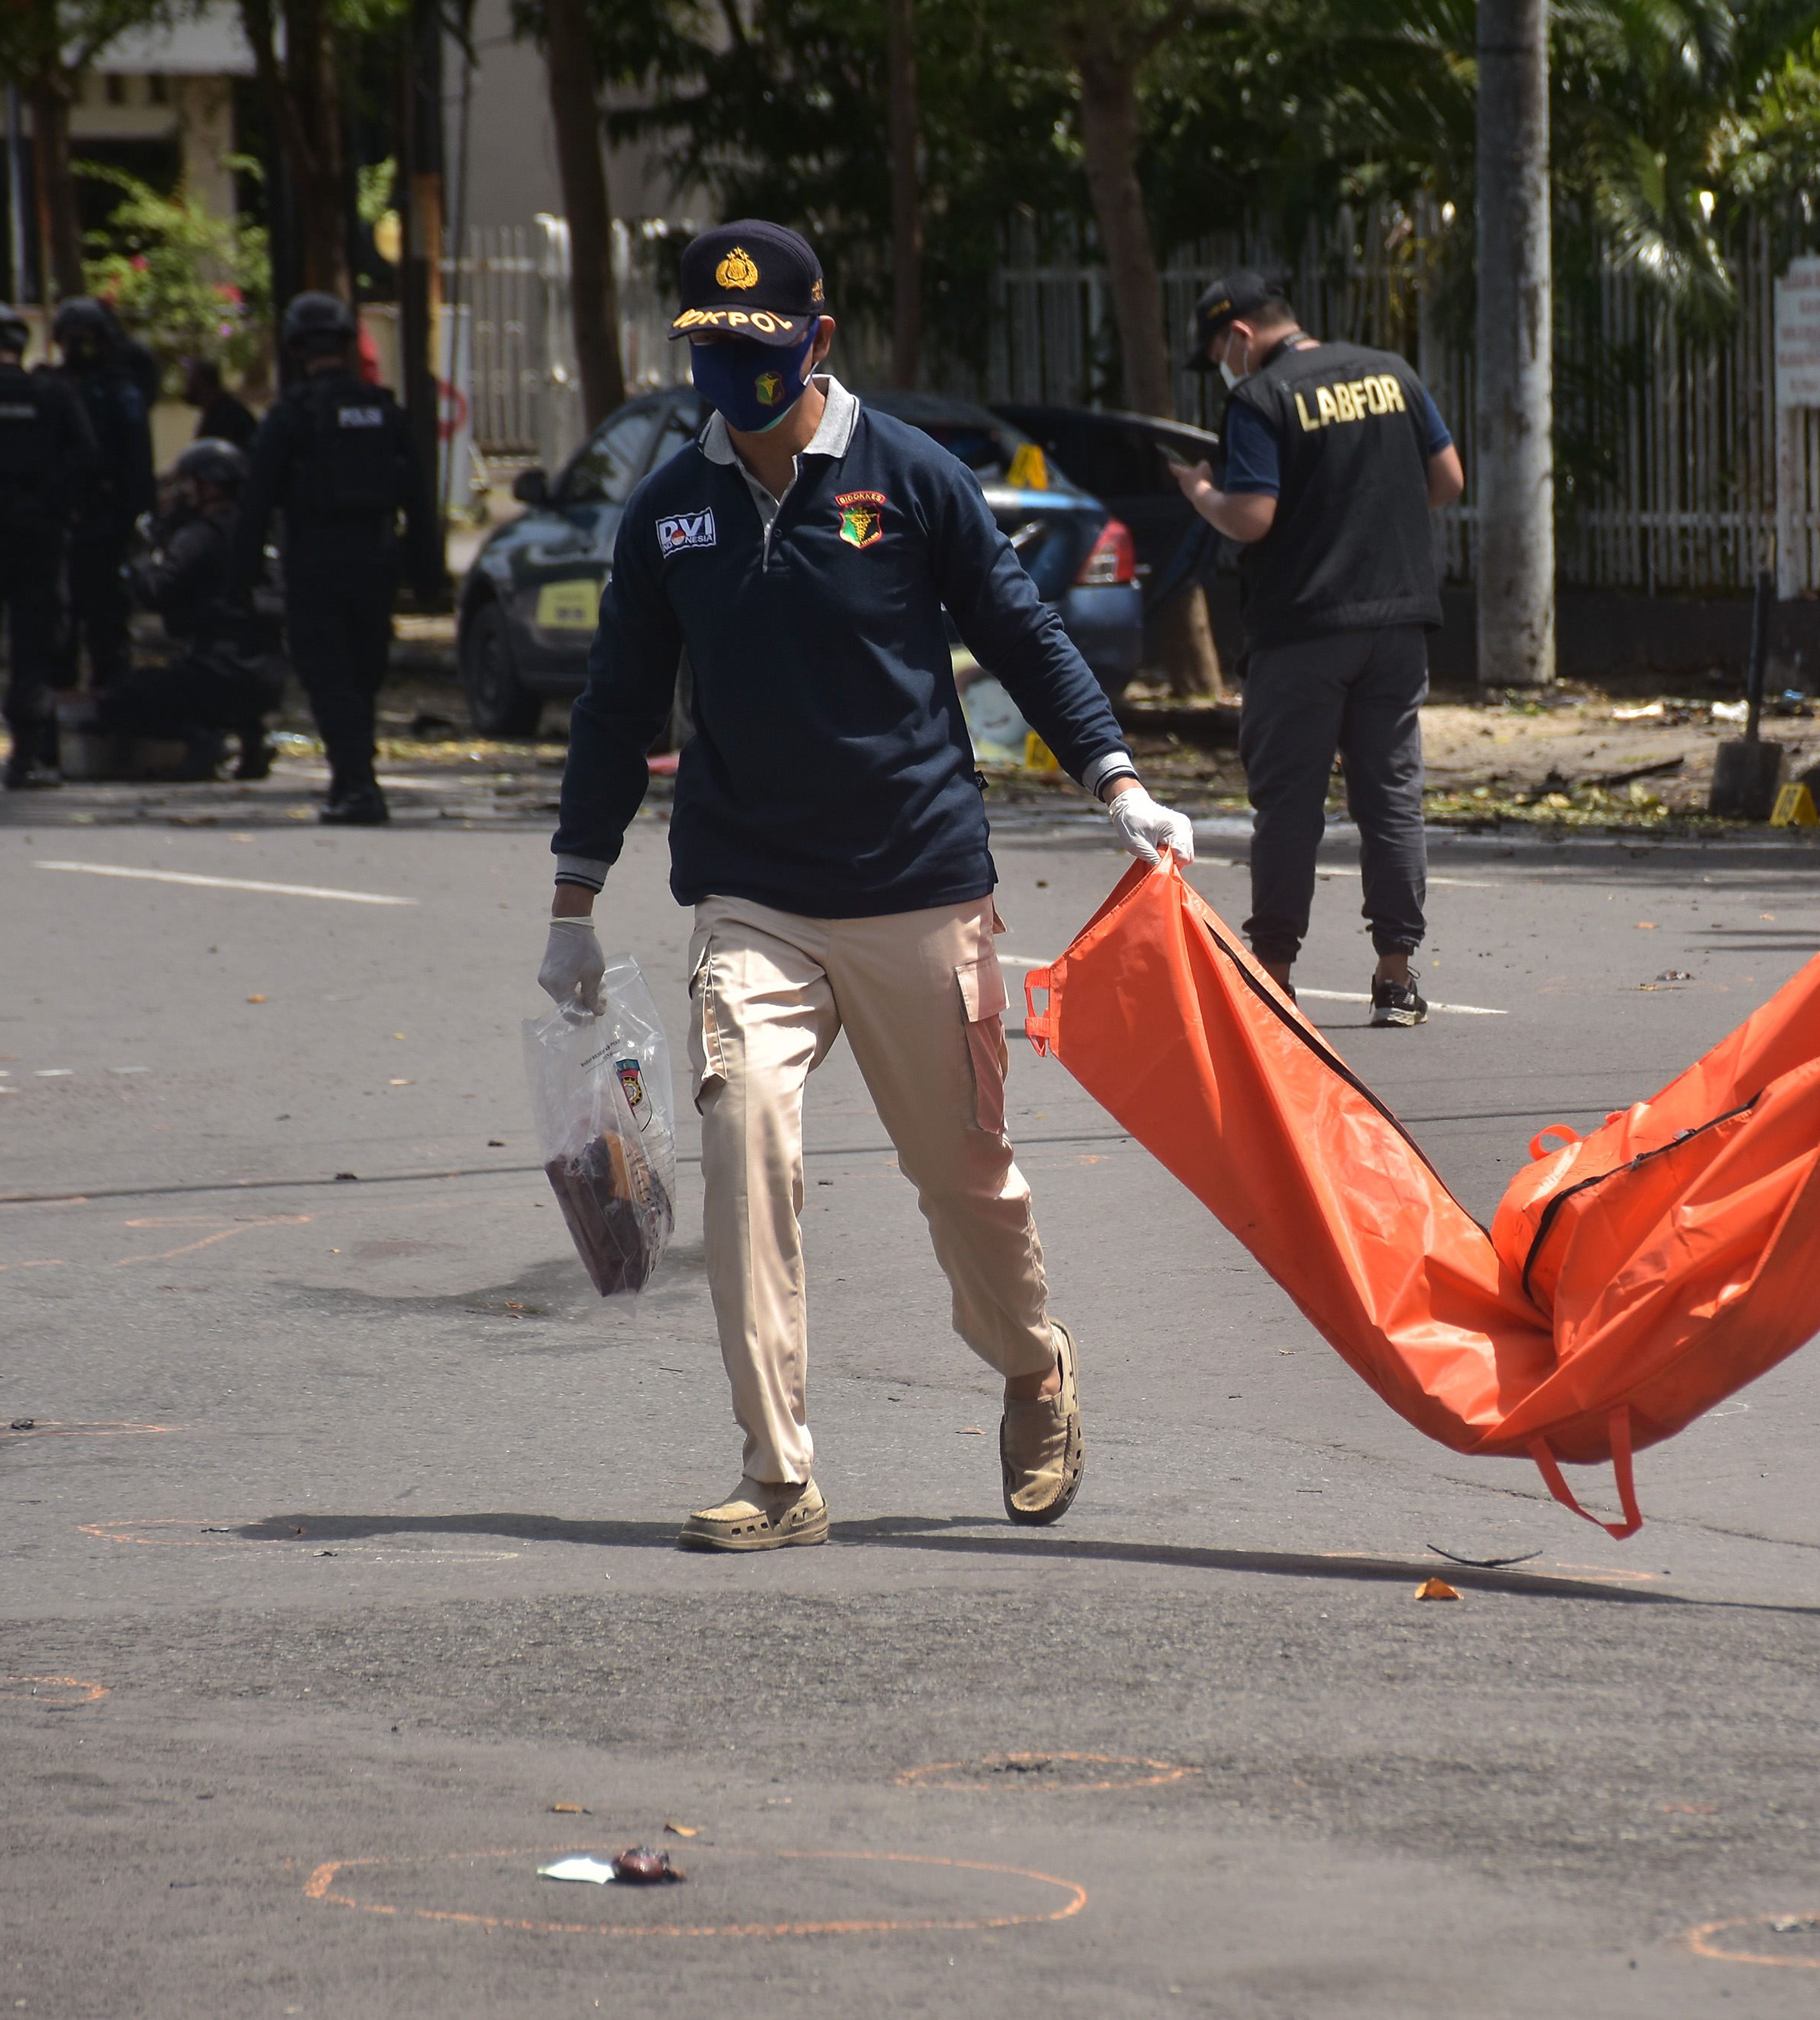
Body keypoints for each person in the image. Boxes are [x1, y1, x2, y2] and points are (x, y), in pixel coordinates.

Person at [541, 221, 1197, 1550]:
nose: (735, 376)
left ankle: (1031, 1365)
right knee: (744, 1138)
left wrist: (1118, 781)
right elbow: (617, 707)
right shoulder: (671, 508)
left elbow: (1023, 630)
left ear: (819, 342)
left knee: (964, 1178)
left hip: (917, 885)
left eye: (760, 350)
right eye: (712, 351)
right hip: (752, 896)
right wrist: (574, 895)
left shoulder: (912, 480)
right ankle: (778, 1473)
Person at [1171, 271, 1464, 1027]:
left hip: (1302, 634)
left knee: (1290, 810)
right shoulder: (1391, 373)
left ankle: (1273, 977)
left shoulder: (1259, 400)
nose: (1223, 372)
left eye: (1219, 355)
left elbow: (1254, 516)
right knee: (1392, 802)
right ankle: (1396, 977)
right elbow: (1446, 478)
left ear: (1240, 337)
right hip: (1398, 627)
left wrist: (1202, 494)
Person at [231, 291, 439, 826]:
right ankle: (351, 780)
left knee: (329, 676)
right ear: (348, 345)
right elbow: (419, 499)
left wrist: (242, 575)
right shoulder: (387, 412)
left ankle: (360, 786)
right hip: (375, 560)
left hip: (316, 564)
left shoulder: (290, 417)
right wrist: (426, 574)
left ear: (297, 349)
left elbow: (256, 501)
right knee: (362, 677)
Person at [0, 301, 100, 788]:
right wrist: (41, 502)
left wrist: (0, 503)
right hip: (39, 539)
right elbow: (87, 455)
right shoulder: (55, 391)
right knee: (34, 649)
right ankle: (24, 759)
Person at [105, 438, 278, 781]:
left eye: (185, 482)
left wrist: (142, 553)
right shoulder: (260, 534)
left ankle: (203, 738)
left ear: (211, 485)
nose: (179, 492)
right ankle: (252, 735)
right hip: (269, 673)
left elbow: (156, 591)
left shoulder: (200, 536)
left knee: (117, 701)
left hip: (216, 667)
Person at [45, 296, 154, 697]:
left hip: (106, 525)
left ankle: (113, 719)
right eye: (70, 338)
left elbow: (138, 466)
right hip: (57, 525)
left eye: (86, 338)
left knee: (107, 628)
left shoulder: (120, 393)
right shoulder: (51, 388)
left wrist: (139, 528)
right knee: (56, 631)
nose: (77, 347)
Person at [185, 356, 259, 451]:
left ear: (206, 386)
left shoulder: (231, 417)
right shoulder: (211, 413)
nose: (187, 390)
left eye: (192, 385)